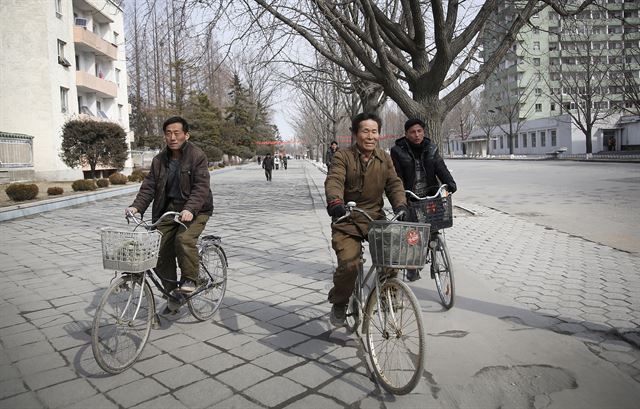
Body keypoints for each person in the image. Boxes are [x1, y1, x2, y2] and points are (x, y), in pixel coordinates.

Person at [325, 112, 408, 326]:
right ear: (355, 134)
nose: (370, 136)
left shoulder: (384, 158)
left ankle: (387, 294)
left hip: (375, 219)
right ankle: (340, 301)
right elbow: (334, 180)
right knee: (350, 265)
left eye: (374, 131)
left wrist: (400, 203)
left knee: (390, 258)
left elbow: (394, 184)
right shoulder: (342, 157)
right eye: (365, 131)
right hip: (347, 221)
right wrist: (335, 202)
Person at [126, 116, 213, 312]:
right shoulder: (159, 160)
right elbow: (148, 187)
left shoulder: (196, 156)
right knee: (157, 249)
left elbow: (201, 187)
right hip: (168, 211)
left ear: (186, 135)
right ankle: (173, 293)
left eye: (176, 133)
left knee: (183, 239)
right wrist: (136, 207)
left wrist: (190, 209)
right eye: (168, 133)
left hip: (196, 210)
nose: (172, 137)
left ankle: (191, 279)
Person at [390, 118, 457, 281]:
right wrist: (399, 196)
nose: (417, 135)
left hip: (430, 194)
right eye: (412, 132)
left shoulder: (431, 148)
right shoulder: (397, 151)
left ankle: (434, 257)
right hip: (410, 196)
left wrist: (450, 182)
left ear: (423, 132)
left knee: (433, 228)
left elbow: (441, 167)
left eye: (419, 131)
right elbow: (396, 176)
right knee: (412, 235)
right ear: (406, 134)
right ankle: (412, 266)